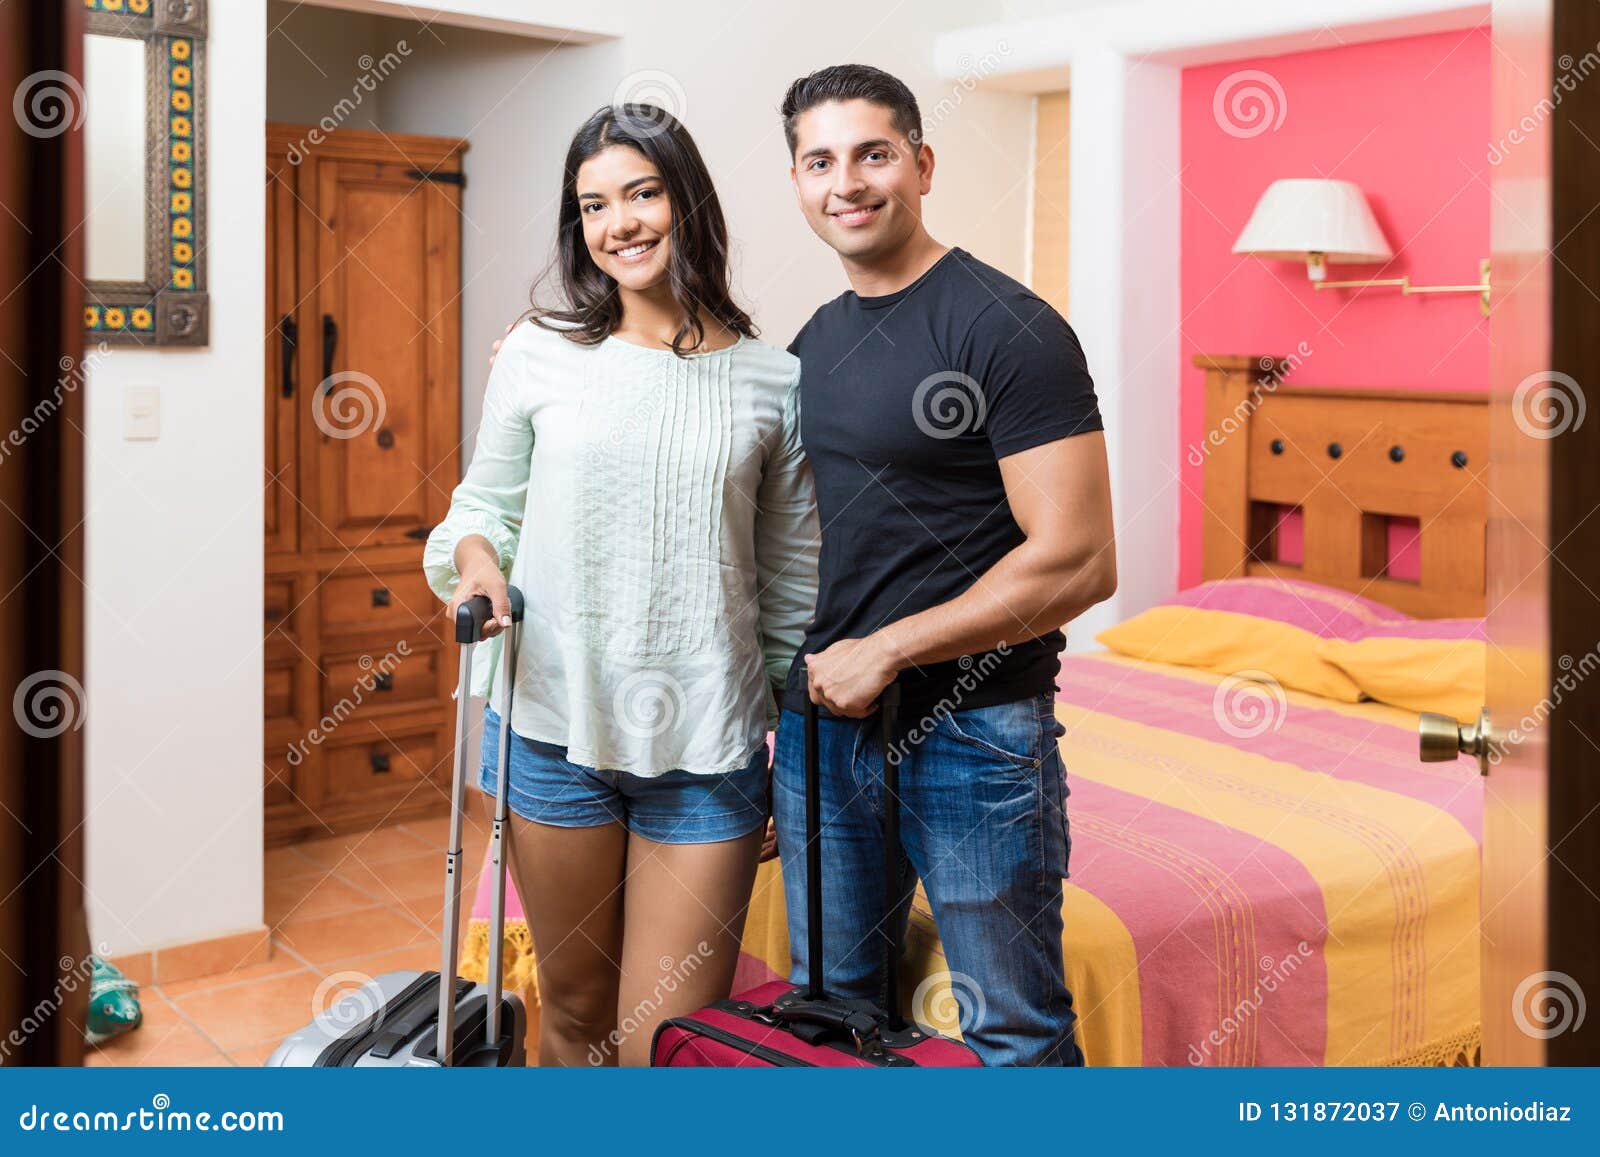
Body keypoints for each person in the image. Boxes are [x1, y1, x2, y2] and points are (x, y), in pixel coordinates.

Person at [424, 102, 816, 1067]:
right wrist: (480, 567)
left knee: (664, 1047)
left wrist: (783, 747)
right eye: (594, 205)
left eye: (642, 193)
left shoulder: (775, 379)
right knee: (573, 1016)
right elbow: (482, 509)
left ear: (688, 202)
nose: (620, 224)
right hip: (553, 733)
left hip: (708, 751)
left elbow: (793, 583)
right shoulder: (537, 353)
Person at [772, 65, 1117, 1066]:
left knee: (1012, 1028)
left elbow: (1081, 558)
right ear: (796, 182)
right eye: (820, 160)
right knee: (834, 1014)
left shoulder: (1008, 327)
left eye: (873, 153)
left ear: (920, 165)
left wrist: (885, 648)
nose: (848, 182)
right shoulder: (811, 343)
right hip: (821, 731)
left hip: (972, 730)